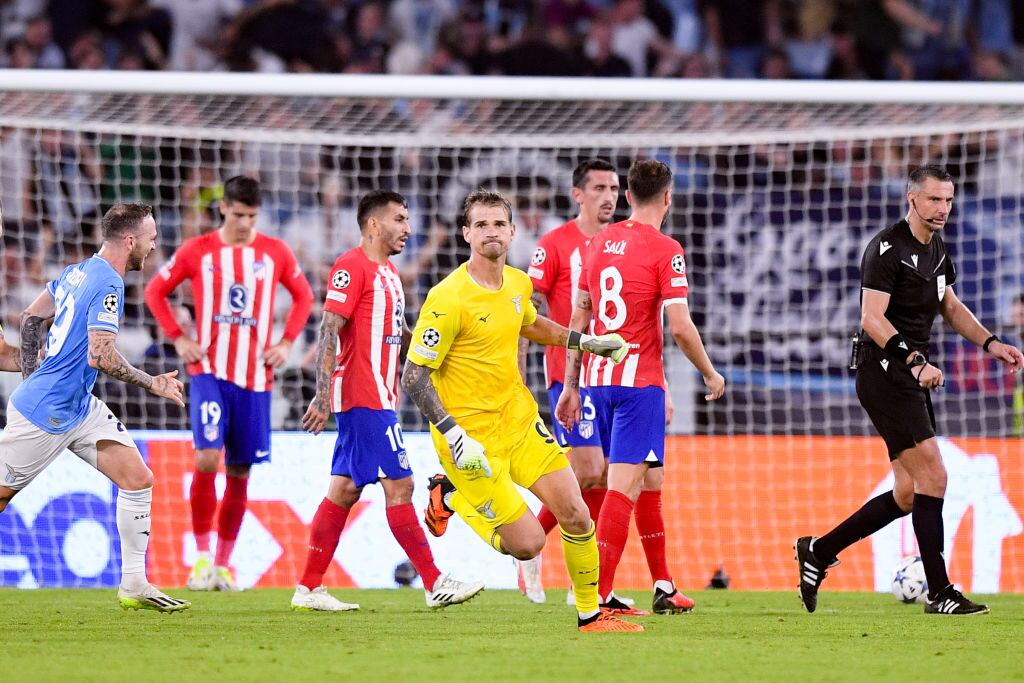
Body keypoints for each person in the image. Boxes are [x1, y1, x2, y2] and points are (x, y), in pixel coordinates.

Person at [402, 189, 643, 633]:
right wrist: (453, 433)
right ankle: (451, 494)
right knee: (529, 545)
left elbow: (531, 324)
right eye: (481, 225)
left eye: (499, 224)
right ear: (466, 234)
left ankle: (590, 615)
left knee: (576, 513)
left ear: (512, 231)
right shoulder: (448, 297)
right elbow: (413, 376)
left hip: (519, 422)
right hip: (469, 440)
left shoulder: (517, 284)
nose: (491, 232)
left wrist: (586, 342)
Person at [796, 165, 1024, 616]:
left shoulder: (936, 248)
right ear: (912, 198)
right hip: (884, 371)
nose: (943, 209)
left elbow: (950, 306)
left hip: (908, 375)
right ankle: (940, 592)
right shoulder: (887, 248)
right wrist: (916, 361)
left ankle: (818, 551)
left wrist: (991, 343)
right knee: (934, 477)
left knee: (906, 493)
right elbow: (871, 318)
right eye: (934, 199)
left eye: (949, 200)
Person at [293, 190, 484, 612]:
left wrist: (440, 359)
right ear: (374, 224)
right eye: (399, 219)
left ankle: (308, 587)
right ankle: (434, 582)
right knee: (401, 485)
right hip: (363, 396)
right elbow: (328, 330)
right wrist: (321, 397)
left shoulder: (391, 274)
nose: (407, 229)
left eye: (408, 219)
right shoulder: (351, 266)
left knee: (344, 490)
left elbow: (400, 335)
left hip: (380, 396)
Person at [556, 159, 726, 616]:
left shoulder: (597, 242)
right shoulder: (666, 249)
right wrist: (710, 373)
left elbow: (579, 317)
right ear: (668, 198)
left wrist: (571, 386)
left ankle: (663, 586)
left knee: (651, 480)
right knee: (623, 486)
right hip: (638, 385)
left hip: (596, 380)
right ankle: (599, 597)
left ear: (628, 196)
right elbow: (681, 327)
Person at [0, 203, 189, 612]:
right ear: (130, 241)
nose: (154, 247)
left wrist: (32, 373)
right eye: (151, 239)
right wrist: (152, 382)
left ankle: (134, 584)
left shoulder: (77, 271)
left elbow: (31, 317)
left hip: (79, 407)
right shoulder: (109, 283)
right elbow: (100, 356)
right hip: (45, 414)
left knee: (138, 479)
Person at [144, 175, 314, 592]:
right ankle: (201, 561)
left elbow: (305, 296)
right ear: (223, 208)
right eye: (238, 215)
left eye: (252, 216)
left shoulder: (275, 252)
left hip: (255, 378)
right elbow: (155, 291)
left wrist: (286, 342)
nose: (245, 223)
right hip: (209, 372)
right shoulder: (197, 250)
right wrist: (178, 337)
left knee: (239, 471)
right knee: (206, 459)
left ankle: (222, 566)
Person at [515, 159, 636, 609]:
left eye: (615, 188)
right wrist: (519, 371)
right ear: (578, 194)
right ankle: (531, 546)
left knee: (603, 474)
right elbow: (526, 310)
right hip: (569, 375)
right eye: (599, 188)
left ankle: (586, 583)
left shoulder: (623, 242)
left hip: (615, 376)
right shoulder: (554, 244)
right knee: (586, 469)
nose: (609, 196)